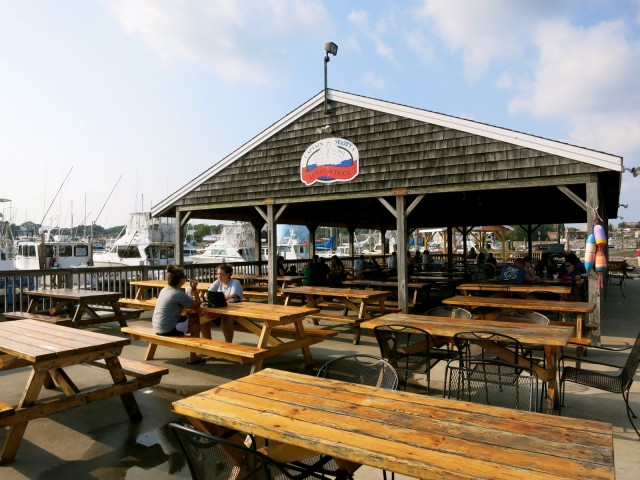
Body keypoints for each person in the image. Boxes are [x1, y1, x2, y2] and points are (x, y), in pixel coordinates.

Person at [151, 265, 203, 364]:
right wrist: (195, 289)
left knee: (189, 317)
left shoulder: (165, 289)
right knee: (196, 323)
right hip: (167, 329)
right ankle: (193, 357)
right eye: (185, 277)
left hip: (157, 327)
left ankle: (197, 352)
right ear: (181, 280)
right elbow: (197, 304)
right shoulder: (177, 293)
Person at [207, 263, 243, 342]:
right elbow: (209, 293)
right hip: (220, 309)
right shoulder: (217, 282)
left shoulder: (235, 282)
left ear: (228, 274)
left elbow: (234, 295)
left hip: (235, 311)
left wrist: (219, 298)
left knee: (225, 318)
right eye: (218, 274)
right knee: (203, 320)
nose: (219, 276)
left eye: (221, 274)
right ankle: (208, 343)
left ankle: (228, 344)